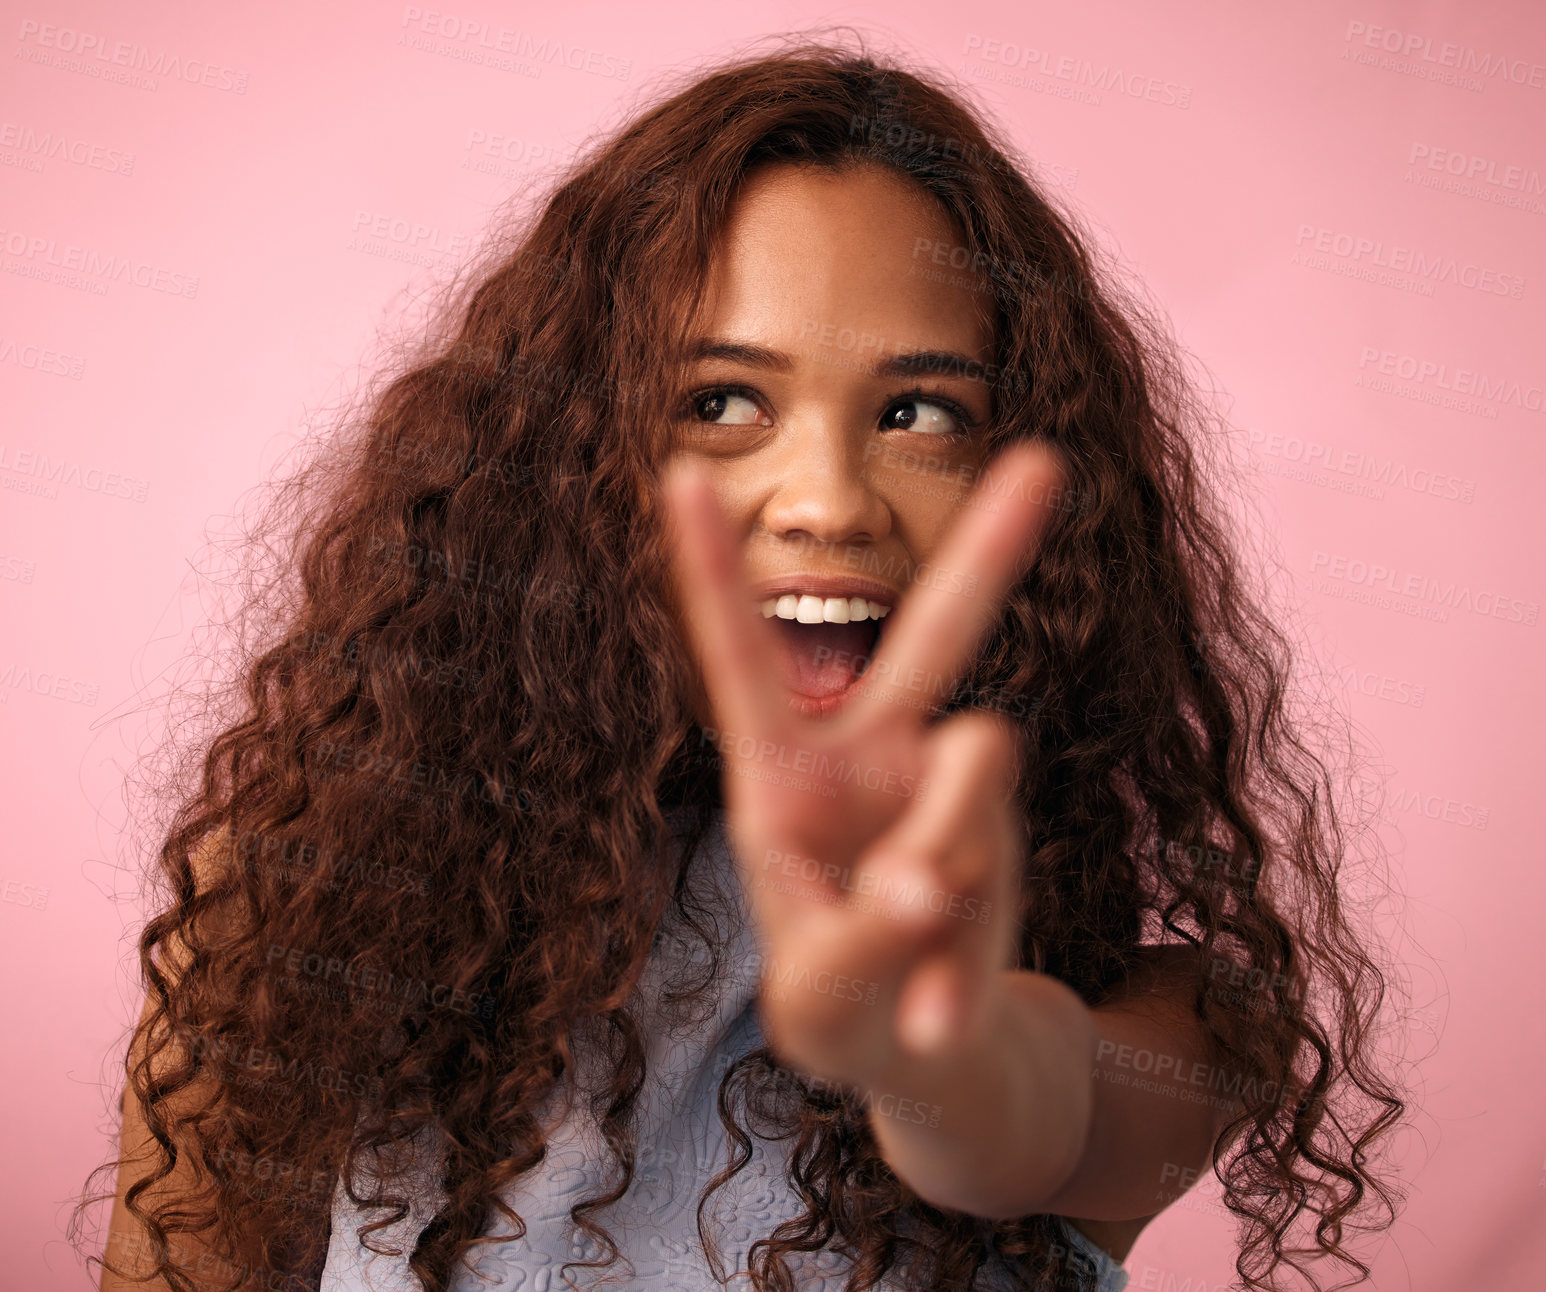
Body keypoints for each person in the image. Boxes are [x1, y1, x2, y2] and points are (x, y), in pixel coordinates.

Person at [79, 34, 1407, 1292]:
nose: (825, 500)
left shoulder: (1187, 1013)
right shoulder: (294, 938)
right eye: (720, 401)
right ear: (554, 467)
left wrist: (918, 1047)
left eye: (918, 413)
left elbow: (1033, 1124)